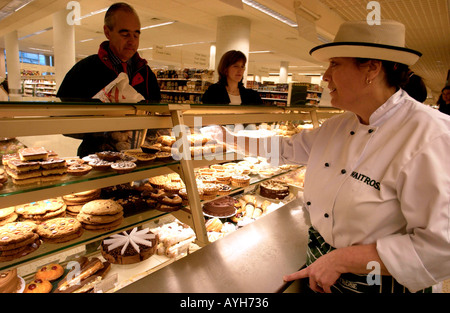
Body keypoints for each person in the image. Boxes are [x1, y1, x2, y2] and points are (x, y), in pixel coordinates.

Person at [202, 20, 450, 293]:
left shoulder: (430, 135)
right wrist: (226, 138)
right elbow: (284, 149)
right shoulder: (338, 126)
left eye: (335, 64)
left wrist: (344, 260)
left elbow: (441, 246)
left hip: (382, 283)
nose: (325, 76)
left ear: (372, 68)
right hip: (321, 267)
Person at [56, 2, 161, 157]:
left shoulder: (145, 73)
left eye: (136, 34)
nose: (132, 41)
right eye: (125, 34)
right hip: (97, 159)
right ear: (107, 32)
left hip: (138, 158)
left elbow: (158, 116)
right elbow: (62, 120)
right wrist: (101, 129)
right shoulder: (85, 69)